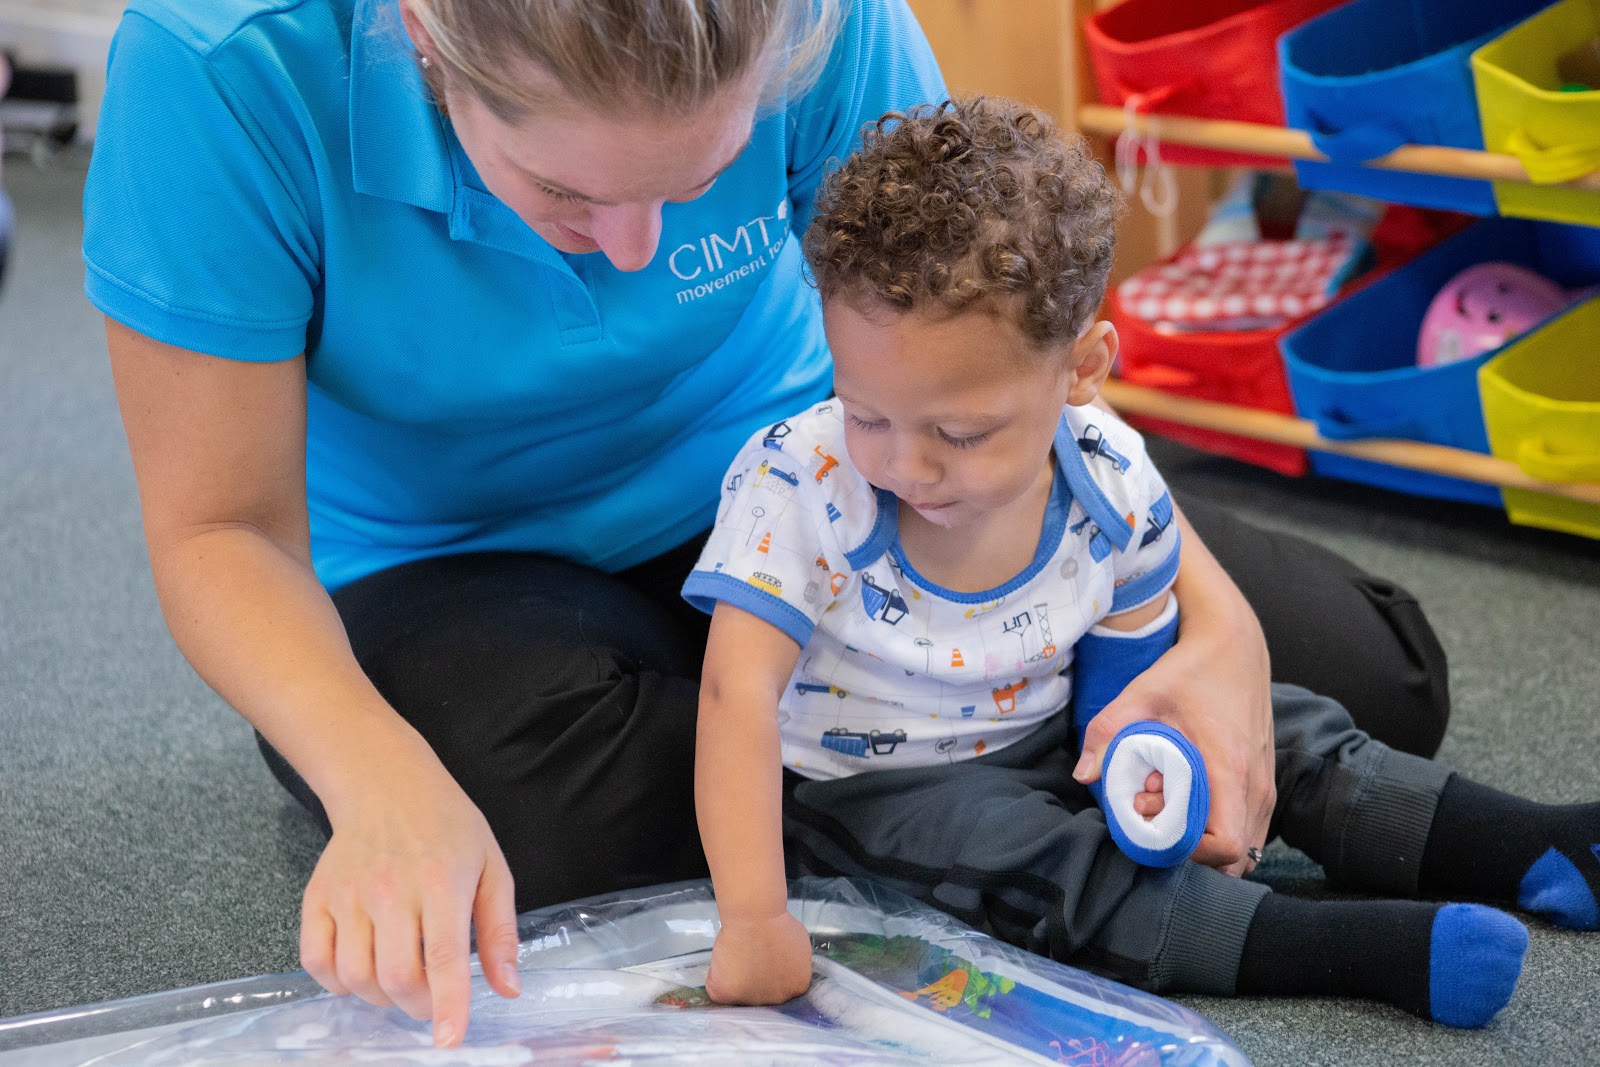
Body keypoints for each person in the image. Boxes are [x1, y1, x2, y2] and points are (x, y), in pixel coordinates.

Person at [83, 0, 1446, 1048]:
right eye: (565, 194)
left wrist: (1207, 612)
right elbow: (222, 530)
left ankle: (910, 762)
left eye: (694, 179)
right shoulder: (221, 65)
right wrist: (377, 778)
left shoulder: (822, 17)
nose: (633, 248)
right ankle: (971, 754)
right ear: (427, 38)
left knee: (1371, 669)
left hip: (819, 474)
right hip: (457, 562)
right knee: (544, 840)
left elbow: (979, 339)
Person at [687, 97, 1599, 1027]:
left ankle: (1533, 844)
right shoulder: (798, 483)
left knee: (1280, 723)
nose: (903, 464)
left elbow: (1132, 674)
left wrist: (1152, 764)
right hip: (881, 791)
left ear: (1082, 370)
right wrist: (754, 916)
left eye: (959, 432)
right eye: (867, 412)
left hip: (1053, 728)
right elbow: (735, 699)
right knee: (1036, 866)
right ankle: (1355, 948)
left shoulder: (1111, 476)